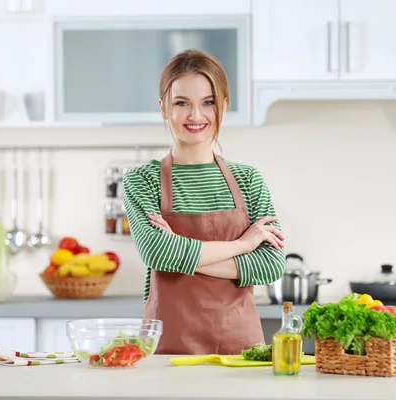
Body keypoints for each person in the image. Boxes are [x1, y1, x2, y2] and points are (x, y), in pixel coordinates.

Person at [122, 49, 286, 356]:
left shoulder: (248, 180)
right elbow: (158, 254)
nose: (195, 116)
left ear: (224, 105)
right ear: (163, 108)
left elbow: (270, 264)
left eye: (208, 102)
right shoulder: (141, 180)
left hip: (241, 353)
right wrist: (242, 245)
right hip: (168, 352)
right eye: (182, 103)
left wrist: (182, 253)